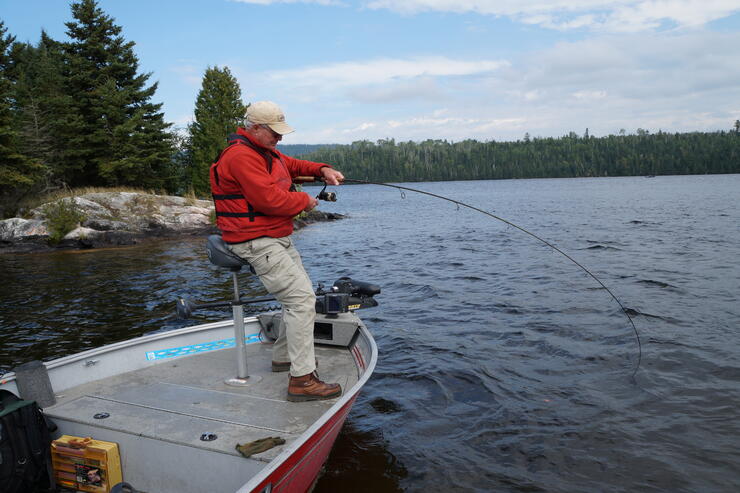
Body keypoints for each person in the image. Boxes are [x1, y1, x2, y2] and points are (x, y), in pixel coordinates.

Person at [209, 101, 344, 402]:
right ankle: (302, 381)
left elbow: (293, 166)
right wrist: (305, 203)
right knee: (300, 300)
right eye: (274, 132)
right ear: (254, 128)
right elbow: (268, 200)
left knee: (300, 298)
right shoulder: (241, 156)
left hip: (274, 237)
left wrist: (323, 169)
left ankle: (284, 358)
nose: (279, 138)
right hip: (255, 241)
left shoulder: (264, 151)